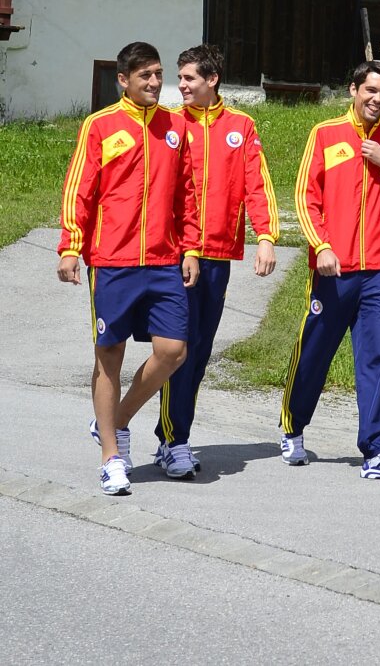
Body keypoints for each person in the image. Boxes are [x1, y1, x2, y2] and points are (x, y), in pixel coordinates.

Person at [57, 40, 201, 496]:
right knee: (110, 355)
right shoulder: (100, 125)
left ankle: (115, 421)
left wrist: (191, 248)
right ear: (123, 80)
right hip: (113, 261)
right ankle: (111, 457)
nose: (155, 83)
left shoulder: (175, 126)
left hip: (163, 260)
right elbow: (79, 189)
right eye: (145, 76)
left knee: (174, 350)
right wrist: (70, 246)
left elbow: (188, 194)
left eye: (159, 74)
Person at [279, 60, 380, 480]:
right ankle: (293, 426)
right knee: (315, 352)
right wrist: (321, 246)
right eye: (370, 90)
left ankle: (377, 449)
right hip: (333, 269)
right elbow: (305, 197)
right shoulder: (326, 133)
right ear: (353, 90)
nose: (377, 99)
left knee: (378, 357)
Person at [154, 44, 280, 478]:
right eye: (180, 78)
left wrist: (266, 237)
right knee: (178, 349)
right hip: (176, 255)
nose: (181, 85)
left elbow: (257, 185)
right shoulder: (171, 125)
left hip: (218, 257)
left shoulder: (241, 126)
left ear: (212, 80)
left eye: (188, 78)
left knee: (200, 350)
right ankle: (174, 441)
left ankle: (172, 434)